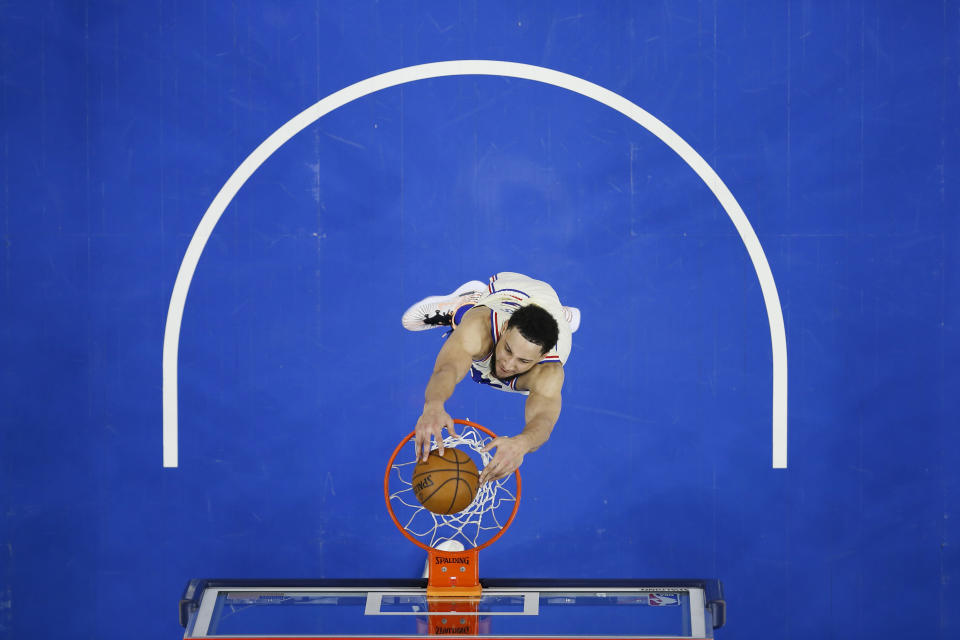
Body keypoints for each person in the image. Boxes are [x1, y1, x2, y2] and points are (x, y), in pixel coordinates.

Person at [401, 273, 580, 484]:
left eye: (523, 361)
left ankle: (557, 312)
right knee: (466, 323)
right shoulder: (481, 328)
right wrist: (433, 405)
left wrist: (522, 443)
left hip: (544, 302)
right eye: (507, 349)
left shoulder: (548, 372)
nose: (508, 364)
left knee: (544, 321)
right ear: (504, 328)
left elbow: (543, 420)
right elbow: (447, 369)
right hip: (510, 289)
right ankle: (466, 302)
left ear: (542, 357)